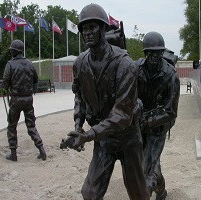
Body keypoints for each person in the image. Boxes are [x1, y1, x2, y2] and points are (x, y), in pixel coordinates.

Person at [62, 3, 149, 200]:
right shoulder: (80, 64)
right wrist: (78, 127)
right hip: (103, 138)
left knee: (138, 193)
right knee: (90, 194)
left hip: (128, 137)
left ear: (103, 29)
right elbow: (79, 97)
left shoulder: (124, 63)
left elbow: (123, 114)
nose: (87, 33)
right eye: (84, 29)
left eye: (92, 27)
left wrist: (88, 135)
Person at [135, 31, 180, 199]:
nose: (153, 56)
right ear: (145, 53)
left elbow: (171, 111)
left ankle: (151, 191)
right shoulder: (136, 68)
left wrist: (149, 121)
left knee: (149, 167)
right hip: (138, 124)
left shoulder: (171, 75)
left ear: (162, 52)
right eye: (150, 52)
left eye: (157, 52)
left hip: (158, 126)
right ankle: (161, 191)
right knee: (146, 164)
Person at [2, 39, 46, 162]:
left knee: (12, 126)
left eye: (12, 51)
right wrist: (32, 91)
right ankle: (41, 150)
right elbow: (36, 80)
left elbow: (5, 84)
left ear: (16, 51)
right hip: (28, 99)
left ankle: (13, 153)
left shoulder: (10, 64)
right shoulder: (30, 64)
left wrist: (5, 86)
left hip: (16, 100)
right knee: (31, 125)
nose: (11, 53)